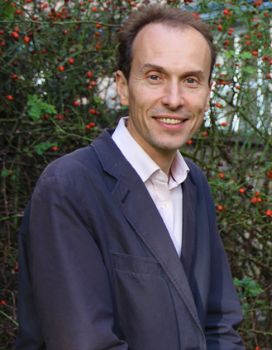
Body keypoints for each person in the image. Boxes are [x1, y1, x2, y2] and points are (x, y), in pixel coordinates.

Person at [14, 5, 244, 349]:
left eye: (191, 80)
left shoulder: (194, 184)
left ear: (208, 93)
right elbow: (86, 344)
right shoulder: (70, 187)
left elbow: (219, 324)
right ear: (123, 87)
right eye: (155, 77)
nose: (174, 99)